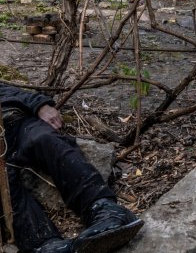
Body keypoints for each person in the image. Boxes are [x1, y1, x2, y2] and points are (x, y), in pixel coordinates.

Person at [0, 83, 143, 252]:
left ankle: (105, 209)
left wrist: (39, 104)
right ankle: (43, 244)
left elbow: (8, 91)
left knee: (45, 139)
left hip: (16, 123)